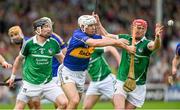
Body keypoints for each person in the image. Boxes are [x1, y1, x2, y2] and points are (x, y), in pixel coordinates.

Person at [59, 14, 136, 109]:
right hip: (67, 72)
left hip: (81, 74)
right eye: (90, 25)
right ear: (83, 27)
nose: (93, 27)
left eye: (94, 25)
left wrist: (126, 47)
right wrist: (118, 42)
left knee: (75, 104)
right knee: (74, 100)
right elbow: (94, 43)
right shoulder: (77, 35)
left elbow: (106, 39)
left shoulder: (94, 36)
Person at [98, 18, 163, 109]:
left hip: (138, 85)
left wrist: (157, 37)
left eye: (141, 28)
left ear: (145, 30)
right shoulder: (126, 38)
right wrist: (98, 23)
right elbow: (106, 35)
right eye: (136, 27)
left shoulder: (146, 44)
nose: (138, 30)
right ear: (132, 28)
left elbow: (156, 46)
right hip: (121, 80)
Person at [7, 18, 68, 109]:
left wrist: (68, 72)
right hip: (30, 83)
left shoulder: (54, 43)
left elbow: (62, 59)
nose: (49, 29)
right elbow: (18, 59)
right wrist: (12, 77)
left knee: (64, 103)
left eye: (49, 26)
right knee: (23, 107)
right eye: (46, 27)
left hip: (48, 82)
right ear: (38, 30)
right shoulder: (29, 44)